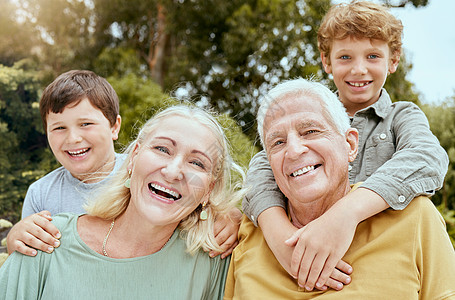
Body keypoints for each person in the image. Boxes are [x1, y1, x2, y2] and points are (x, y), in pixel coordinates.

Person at [242, 0, 449, 291]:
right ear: (327, 62)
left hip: (378, 254)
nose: (359, 69)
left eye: (373, 56)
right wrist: (280, 240)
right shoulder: (306, 120)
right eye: (345, 57)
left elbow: (427, 158)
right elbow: (262, 170)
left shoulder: (402, 116)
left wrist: (346, 214)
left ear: (394, 60)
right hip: (310, 250)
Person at [224, 78, 455, 299]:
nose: (294, 151)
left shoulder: (415, 219)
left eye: (310, 131)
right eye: (278, 142)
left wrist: (346, 213)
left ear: (350, 144)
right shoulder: (248, 232)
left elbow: (427, 156)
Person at [0, 105, 244, 299]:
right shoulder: (45, 240)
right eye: (162, 149)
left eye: (197, 163)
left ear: (209, 189)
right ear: (134, 156)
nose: (172, 172)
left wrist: (239, 219)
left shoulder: (214, 263)